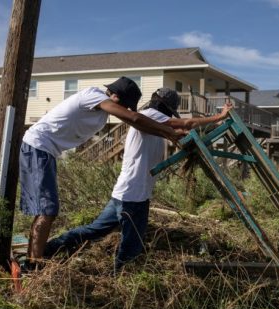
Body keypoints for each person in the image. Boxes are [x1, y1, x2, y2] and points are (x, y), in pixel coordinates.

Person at [43, 87, 233, 273]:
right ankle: (121, 276)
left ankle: (49, 249)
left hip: (124, 192)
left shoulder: (152, 120)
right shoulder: (152, 115)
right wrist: (220, 117)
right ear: (164, 106)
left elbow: (175, 131)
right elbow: (187, 123)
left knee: (94, 230)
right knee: (132, 245)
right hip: (134, 196)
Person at [18, 77, 188, 269]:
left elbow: (137, 122)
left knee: (64, 217)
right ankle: (33, 266)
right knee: (47, 210)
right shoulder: (93, 95)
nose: (125, 109)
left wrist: (167, 133)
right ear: (114, 96)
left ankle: (39, 257)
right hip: (38, 146)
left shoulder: (102, 113)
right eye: (123, 105)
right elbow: (134, 118)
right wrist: (169, 132)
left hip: (48, 152)